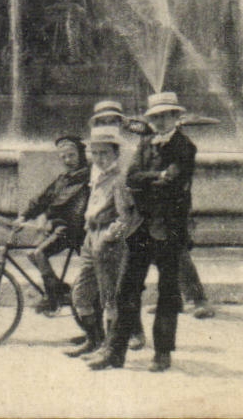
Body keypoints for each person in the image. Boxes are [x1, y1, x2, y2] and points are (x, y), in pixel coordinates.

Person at [88, 91, 196, 373]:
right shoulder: (145, 143)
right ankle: (115, 352)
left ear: (176, 117)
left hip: (169, 230)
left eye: (165, 116)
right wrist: (156, 177)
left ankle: (162, 353)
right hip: (140, 228)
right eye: (155, 117)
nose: (160, 121)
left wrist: (149, 181)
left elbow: (173, 182)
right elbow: (131, 178)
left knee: (168, 293)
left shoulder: (185, 147)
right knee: (126, 289)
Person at [66, 127, 140, 358]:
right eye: (95, 153)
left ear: (116, 153)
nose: (99, 158)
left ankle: (109, 348)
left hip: (107, 240)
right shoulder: (96, 174)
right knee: (80, 294)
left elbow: (127, 216)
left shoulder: (119, 179)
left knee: (109, 297)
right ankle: (94, 340)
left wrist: (110, 236)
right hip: (91, 235)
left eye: (104, 153)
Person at [17, 135, 91, 315]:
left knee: (40, 253)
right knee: (32, 254)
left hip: (75, 229)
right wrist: (24, 216)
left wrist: (48, 216)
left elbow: (66, 206)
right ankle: (61, 289)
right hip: (61, 227)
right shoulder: (63, 179)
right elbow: (43, 198)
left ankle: (53, 297)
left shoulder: (87, 178)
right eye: (63, 156)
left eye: (71, 155)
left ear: (80, 155)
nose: (67, 160)